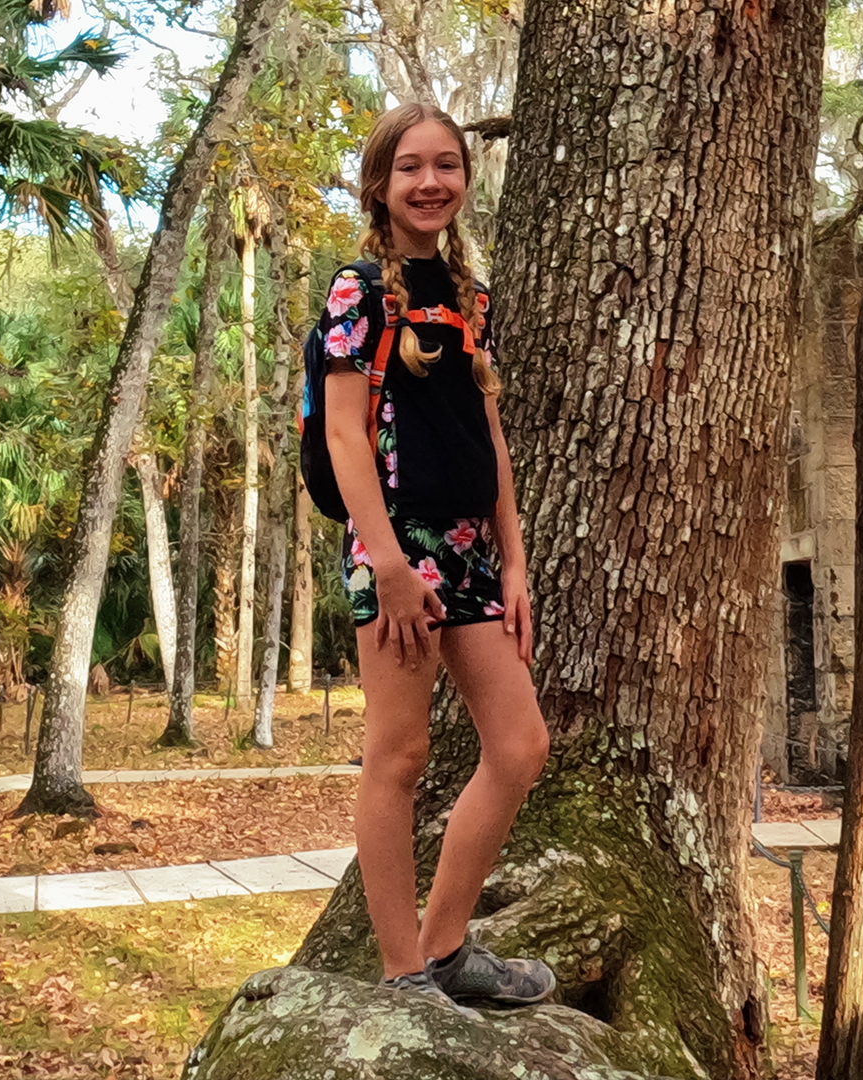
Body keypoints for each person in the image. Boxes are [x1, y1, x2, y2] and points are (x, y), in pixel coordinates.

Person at [321, 102, 554, 1017]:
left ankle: (447, 945)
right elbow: (345, 437)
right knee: (400, 756)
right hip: (396, 553)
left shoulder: (469, 299)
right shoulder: (357, 294)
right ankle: (400, 974)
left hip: (468, 554)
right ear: (381, 183)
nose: (431, 181)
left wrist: (515, 562)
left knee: (520, 744)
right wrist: (384, 563)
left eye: (447, 164)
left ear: (463, 178)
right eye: (410, 166)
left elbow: (488, 435)